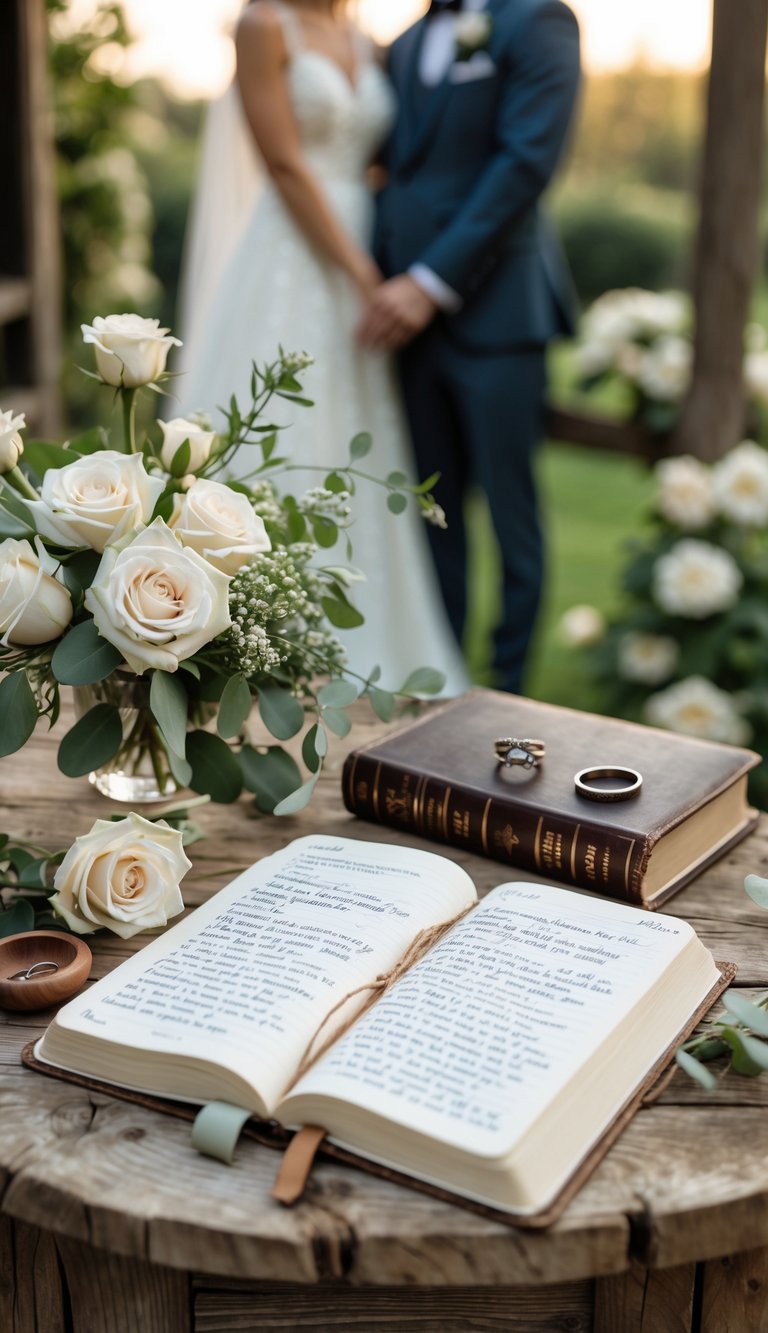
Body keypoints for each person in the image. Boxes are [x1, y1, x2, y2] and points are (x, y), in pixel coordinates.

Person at [178, 0, 469, 696]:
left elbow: (381, 161)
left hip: (365, 242)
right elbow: (282, 163)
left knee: (357, 430)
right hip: (294, 250)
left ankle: (362, 639)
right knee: (276, 424)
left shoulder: (366, 41)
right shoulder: (263, 25)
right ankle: (235, 636)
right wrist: (365, 275)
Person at [359, 0, 581, 694]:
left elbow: (524, 165)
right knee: (433, 517)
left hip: (498, 318)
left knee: (513, 524)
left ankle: (508, 694)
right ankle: (444, 686)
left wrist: (427, 283)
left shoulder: (539, 20)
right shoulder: (399, 46)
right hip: (405, 326)